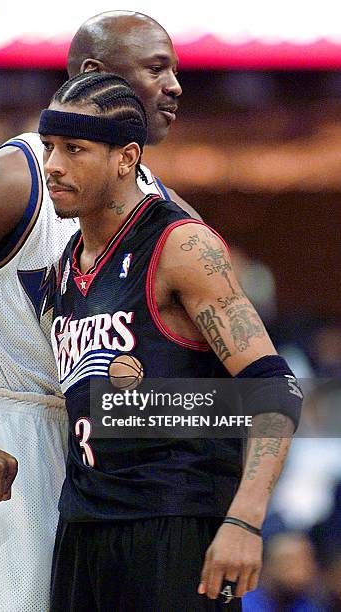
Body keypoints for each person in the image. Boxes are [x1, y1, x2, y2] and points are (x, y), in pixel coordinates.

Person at [0, 11, 200, 612]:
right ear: (94, 73)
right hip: (15, 440)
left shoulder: (171, 214)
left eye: (175, 70)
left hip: (120, 453)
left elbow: (238, 378)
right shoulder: (13, 178)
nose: (175, 86)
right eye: (157, 68)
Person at [43, 71, 302, 611]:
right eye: (48, 147)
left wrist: (245, 519)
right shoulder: (66, 266)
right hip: (84, 527)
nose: (53, 165)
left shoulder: (180, 244)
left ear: (126, 158)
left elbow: (274, 389)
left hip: (175, 524)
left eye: (74, 149)